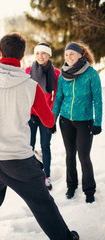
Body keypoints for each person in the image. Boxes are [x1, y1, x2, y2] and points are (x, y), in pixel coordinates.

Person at [0, 33, 79, 240]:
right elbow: (49, 121)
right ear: (22, 56)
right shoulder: (31, 86)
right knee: (43, 205)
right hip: (20, 162)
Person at [51, 42, 102, 203]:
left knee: (84, 156)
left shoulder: (91, 74)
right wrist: (52, 120)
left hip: (85, 122)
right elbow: (58, 98)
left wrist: (98, 122)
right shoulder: (63, 75)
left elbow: (98, 100)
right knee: (70, 155)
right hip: (65, 120)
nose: (68, 57)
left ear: (80, 55)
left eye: (72, 54)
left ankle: (89, 190)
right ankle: (71, 186)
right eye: (66, 54)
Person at [25, 43, 60, 190]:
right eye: (38, 53)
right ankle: (31, 175)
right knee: (29, 146)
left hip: (46, 116)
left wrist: (50, 116)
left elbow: (56, 96)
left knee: (45, 146)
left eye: (44, 53)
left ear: (49, 55)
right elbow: (25, 94)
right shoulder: (28, 71)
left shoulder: (56, 73)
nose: (41, 56)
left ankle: (46, 176)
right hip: (31, 115)